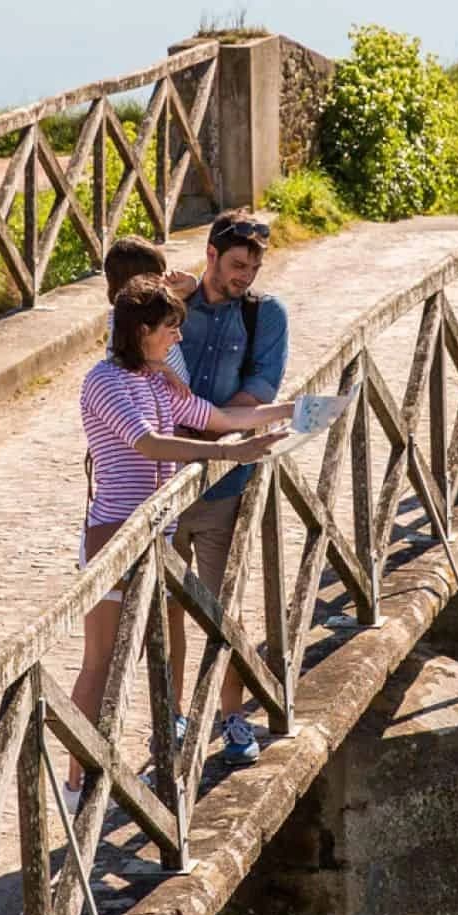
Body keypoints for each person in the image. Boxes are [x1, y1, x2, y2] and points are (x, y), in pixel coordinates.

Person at [69, 275, 291, 808]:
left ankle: (133, 771)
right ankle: (77, 782)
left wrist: (292, 411)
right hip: (114, 538)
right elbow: (148, 443)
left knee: (146, 659)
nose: (178, 339)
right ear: (142, 329)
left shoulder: (155, 379)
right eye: (171, 328)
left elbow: (217, 419)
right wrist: (232, 455)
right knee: (101, 661)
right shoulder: (103, 381)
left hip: (156, 537)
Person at [168, 209, 287, 767]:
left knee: (221, 611)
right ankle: (169, 717)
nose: (246, 276)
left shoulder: (266, 317)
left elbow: (261, 390)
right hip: (160, 485)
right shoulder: (171, 306)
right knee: (163, 610)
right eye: (237, 264)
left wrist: (206, 424)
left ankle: (231, 715)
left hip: (224, 484)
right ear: (210, 255)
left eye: (254, 267)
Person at [103, 235, 197, 395]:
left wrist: (193, 284)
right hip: (161, 407)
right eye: (157, 276)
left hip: (176, 399)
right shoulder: (123, 324)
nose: (164, 279)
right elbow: (122, 365)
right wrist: (166, 370)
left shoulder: (149, 312)